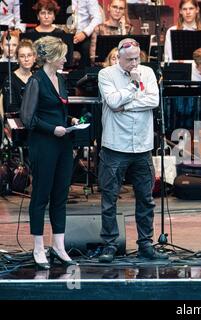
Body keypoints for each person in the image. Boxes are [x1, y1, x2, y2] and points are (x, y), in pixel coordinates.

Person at [97, 38, 168, 263]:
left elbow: (154, 101)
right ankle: (110, 244)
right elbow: (112, 100)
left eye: (137, 58)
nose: (134, 63)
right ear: (119, 57)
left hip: (143, 147)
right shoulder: (106, 75)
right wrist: (133, 86)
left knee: (146, 199)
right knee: (110, 198)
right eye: (129, 60)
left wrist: (125, 105)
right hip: (115, 146)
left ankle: (145, 244)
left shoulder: (147, 72)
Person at [20, 36, 79, 269]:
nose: (66, 59)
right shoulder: (37, 81)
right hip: (44, 143)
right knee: (41, 196)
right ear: (53, 57)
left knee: (60, 196)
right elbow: (28, 118)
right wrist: (51, 128)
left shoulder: (60, 79)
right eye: (63, 55)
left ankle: (59, 245)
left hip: (63, 143)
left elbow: (58, 108)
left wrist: (70, 120)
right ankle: (38, 246)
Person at [90, 0, 132, 65]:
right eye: (115, 7)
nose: (117, 11)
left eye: (121, 8)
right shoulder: (99, 28)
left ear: (124, 11)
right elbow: (93, 57)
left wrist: (123, 28)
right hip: (104, 67)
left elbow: (129, 54)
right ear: (109, 8)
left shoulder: (129, 29)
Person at [1, 39, 35, 114]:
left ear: (34, 57)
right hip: (18, 120)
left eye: (29, 55)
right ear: (17, 59)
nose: (26, 59)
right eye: (22, 56)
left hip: (37, 119)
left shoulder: (38, 78)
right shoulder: (9, 80)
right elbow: (11, 109)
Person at [71, 0, 103, 67]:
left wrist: (85, 33)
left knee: (86, 49)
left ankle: (83, 74)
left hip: (83, 34)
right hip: (65, 32)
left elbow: (98, 18)